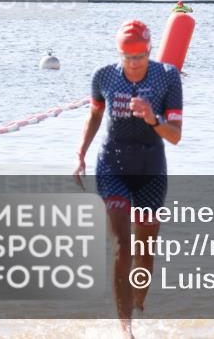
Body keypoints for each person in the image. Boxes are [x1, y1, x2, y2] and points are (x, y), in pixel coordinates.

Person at [74, 21, 183, 338]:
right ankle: (126, 329)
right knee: (123, 245)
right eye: (127, 57)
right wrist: (80, 154)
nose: (134, 63)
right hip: (113, 165)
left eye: (140, 56)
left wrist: (153, 118)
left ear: (149, 50)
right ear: (119, 53)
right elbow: (95, 115)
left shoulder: (167, 76)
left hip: (151, 170)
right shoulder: (103, 76)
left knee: (145, 250)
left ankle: (138, 305)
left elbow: (175, 136)